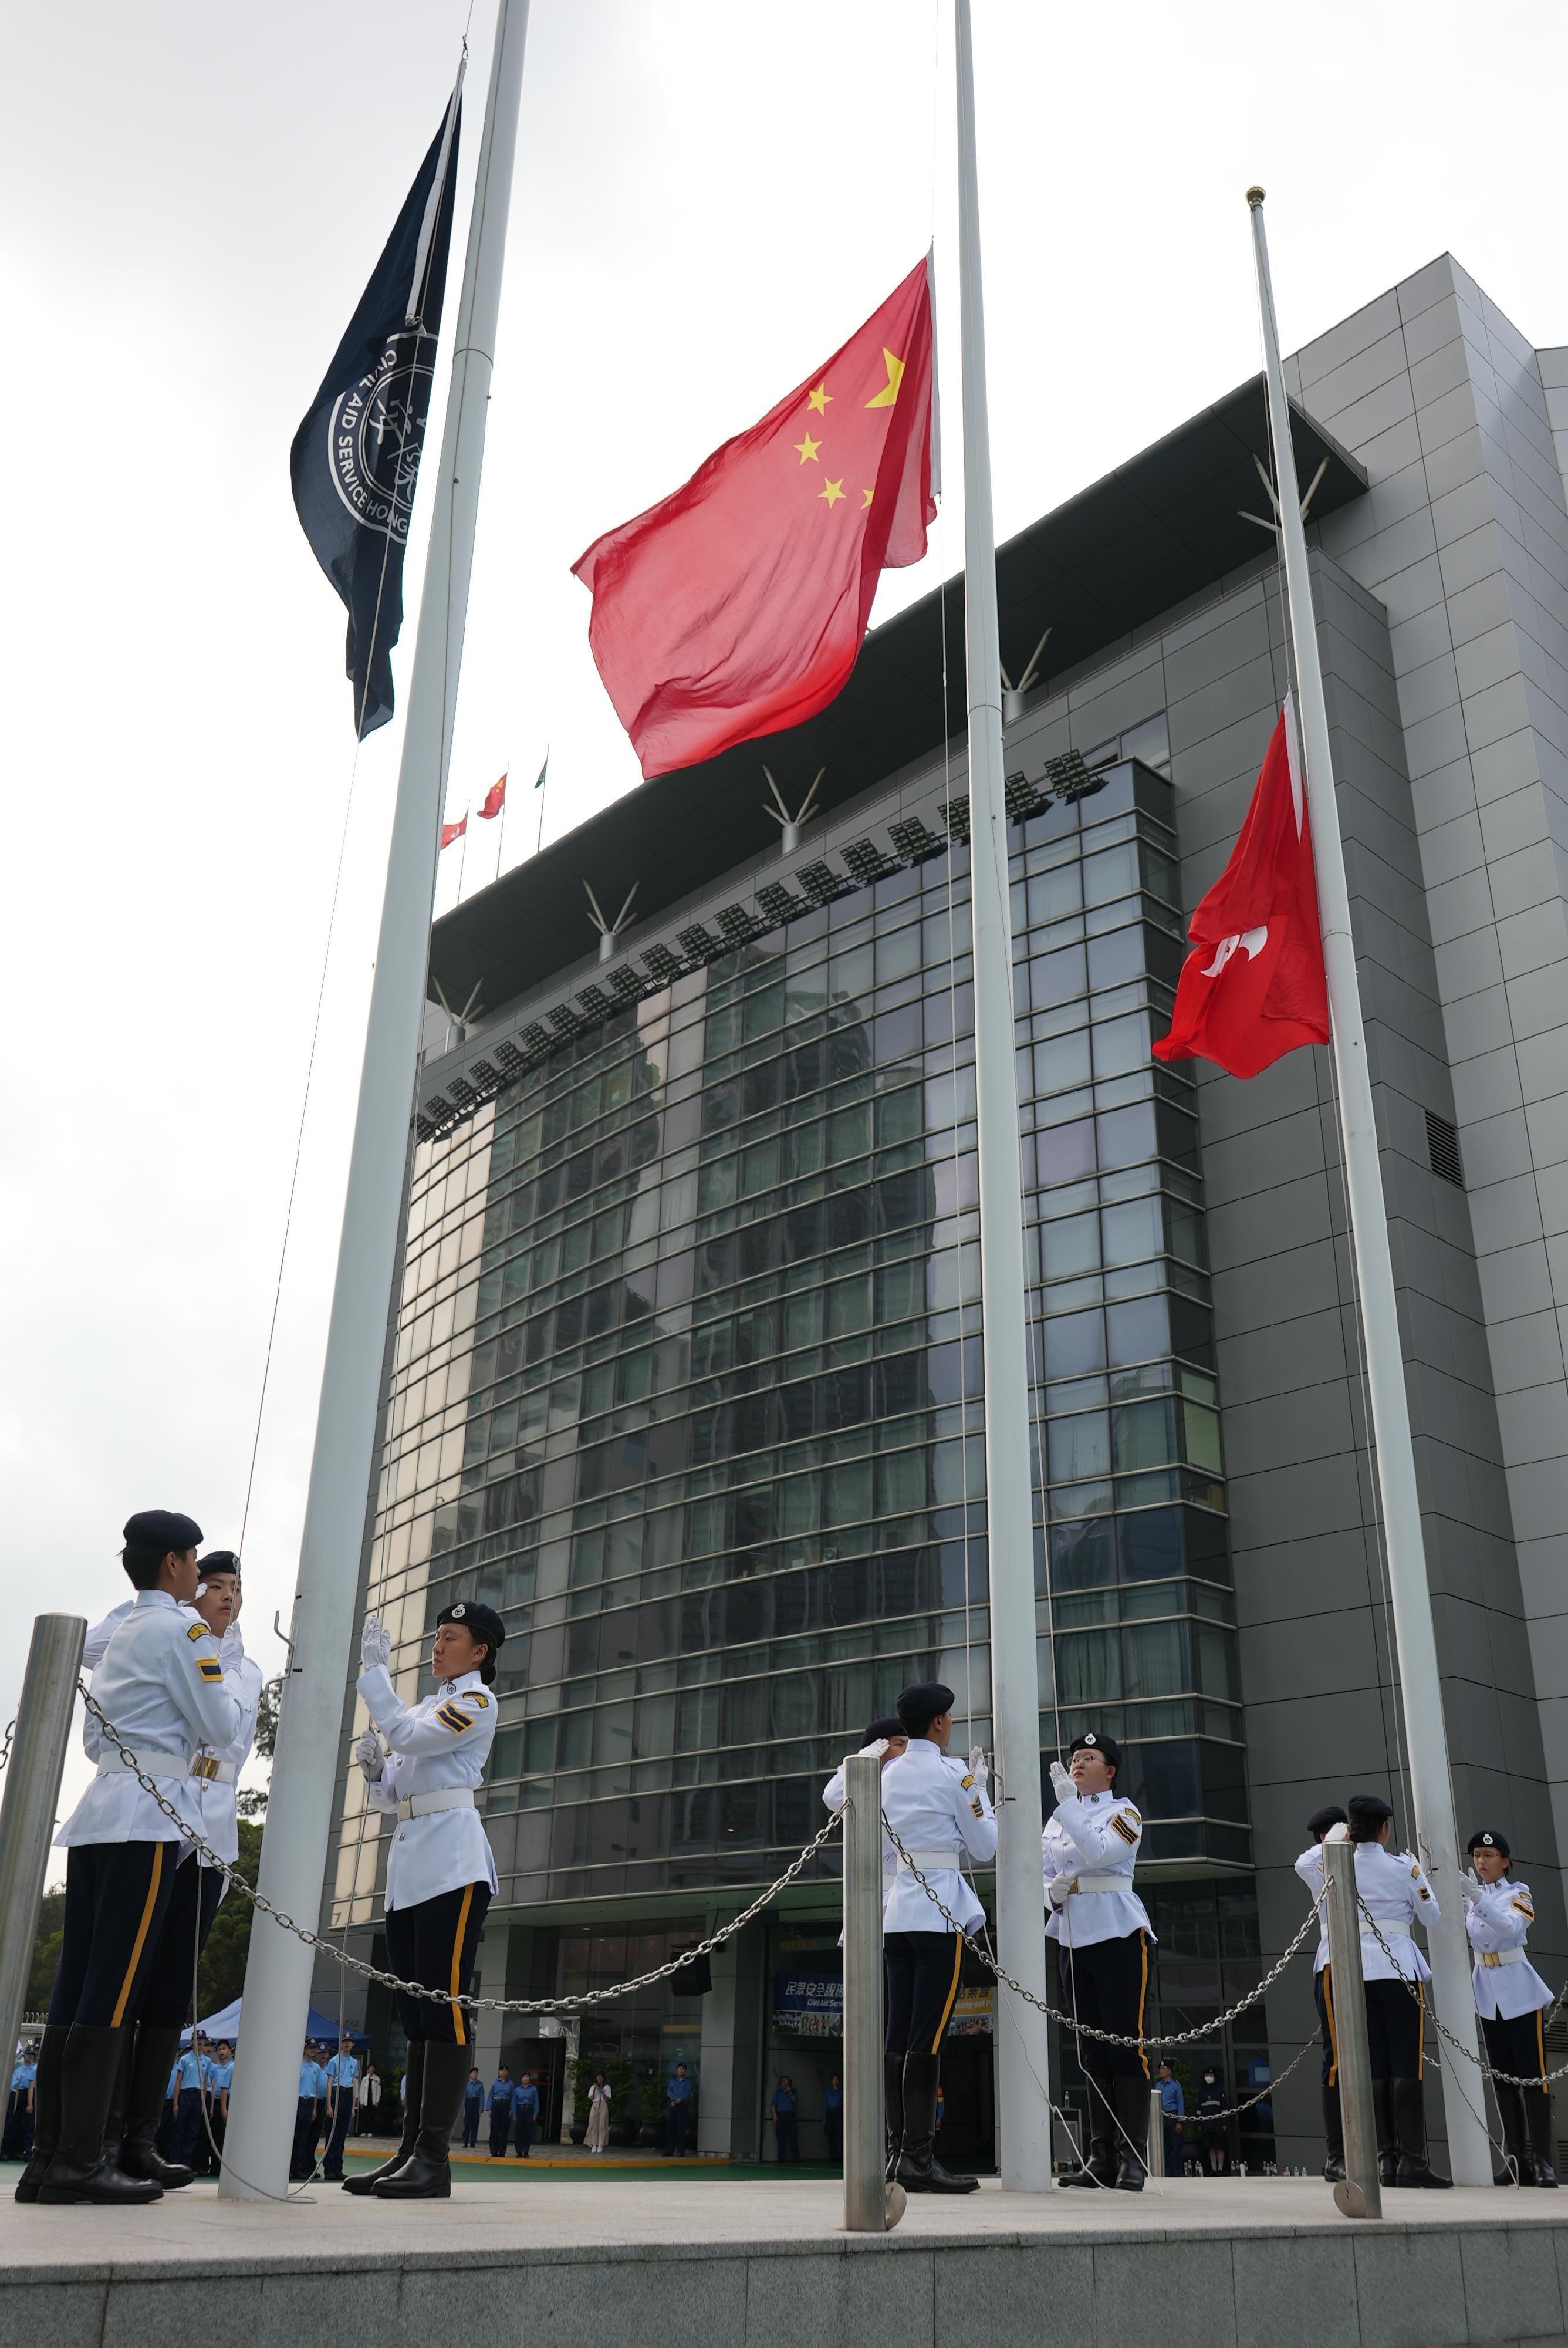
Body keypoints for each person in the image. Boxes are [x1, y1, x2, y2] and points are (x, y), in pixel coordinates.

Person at [18, 1510, 242, 2207]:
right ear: (177, 1564)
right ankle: (82, 2159)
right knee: (114, 1990)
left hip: (100, 1812)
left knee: (78, 1991)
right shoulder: (184, 1631)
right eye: (195, 1561)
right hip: (148, 1817)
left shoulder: (119, 1633)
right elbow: (223, 1724)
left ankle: (51, 2157)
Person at [83, 1550, 260, 2195]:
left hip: (207, 1830)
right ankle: (98, 2137)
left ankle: (140, 2139)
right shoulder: (167, 1635)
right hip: (155, 1809)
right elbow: (92, 1646)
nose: (225, 1597)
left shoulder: (246, 1667)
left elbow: (231, 1743)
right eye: (213, 1585)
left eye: (234, 1589)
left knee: (165, 1993)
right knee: (125, 1976)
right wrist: (158, 1608)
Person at [344, 1598, 503, 2200]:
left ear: (480, 1650)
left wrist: (375, 1677)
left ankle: (434, 2158)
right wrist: (376, 1773)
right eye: (436, 1636)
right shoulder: (433, 1703)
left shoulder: (475, 1702)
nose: (437, 1646)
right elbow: (398, 1791)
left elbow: (409, 1734)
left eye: (450, 1637)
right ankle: (410, 2150)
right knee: (414, 2017)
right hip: (413, 1863)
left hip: (452, 1865)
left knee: (444, 2006)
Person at [880, 1679, 997, 2195]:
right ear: (939, 1724)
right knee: (927, 2036)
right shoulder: (957, 1774)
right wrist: (981, 1791)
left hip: (898, 1911)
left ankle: (895, 2151)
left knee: (898, 2034)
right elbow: (986, 1846)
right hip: (938, 1910)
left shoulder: (885, 1774)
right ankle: (920, 2158)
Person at [1299, 1794, 1450, 2188]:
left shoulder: (1334, 1862)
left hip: (1351, 1971)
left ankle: (1385, 2159)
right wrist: (1417, 1873)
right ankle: (1412, 2161)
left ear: (1351, 1828)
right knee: (1406, 2065)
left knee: (1376, 2067)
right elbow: (1431, 1916)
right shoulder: (1403, 1867)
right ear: (1384, 1829)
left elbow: (1302, 1864)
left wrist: (1333, 1840)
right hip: (1398, 1968)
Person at [1044, 1728, 1157, 2192]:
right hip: (1072, 1933)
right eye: (1074, 1757)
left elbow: (1101, 1852)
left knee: (1124, 2047)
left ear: (1109, 1771)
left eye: (1088, 1758)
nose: (1077, 1763)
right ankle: (1100, 2155)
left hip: (1116, 1930)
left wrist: (1069, 1807)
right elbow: (1044, 1869)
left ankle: (1134, 2158)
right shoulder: (1056, 1821)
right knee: (1090, 2051)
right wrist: (1048, 1895)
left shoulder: (1124, 1812)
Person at [1462, 1828, 1557, 2188]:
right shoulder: (1474, 1897)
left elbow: (1509, 1927)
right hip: (1487, 1990)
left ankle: (1543, 2161)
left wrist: (1476, 1899)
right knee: (1503, 2079)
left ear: (1505, 1861)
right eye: (1476, 1856)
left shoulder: (1519, 1894)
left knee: (1533, 2077)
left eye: (1488, 1856)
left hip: (1518, 1989)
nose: (1481, 1862)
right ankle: (1517, 2160)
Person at [1293, 1802, 1349, 2181]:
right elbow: (1301, 1864)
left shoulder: (1373, 1863)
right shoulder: (1319, 1867)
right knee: (1337, 2060)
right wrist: (1334, 1838)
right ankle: (1338, 2155)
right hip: (1334, 1961)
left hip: (1379, 1965)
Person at [321, 2035, 361, 2181]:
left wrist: (353, 2106)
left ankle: (338, 2168)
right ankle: (329, 2169)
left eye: (349, 2042)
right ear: (341, 2044)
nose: (347, 2044)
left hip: (348, 2095)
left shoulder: (354, 2062)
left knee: (342, 2135)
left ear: (353, 2044)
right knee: (333, 2134)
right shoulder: (334, 2061)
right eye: (344, 2042)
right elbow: (329, 2083)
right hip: (337, 2094)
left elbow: (354, 2082)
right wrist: (329, 2105)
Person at [290, 2040, 326, 2180]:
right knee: (295, 2137)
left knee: (304, 2138)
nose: (313, 2051)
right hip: (298, 2103)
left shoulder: (315, 2068)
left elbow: (315, 2090)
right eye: (310, 2048)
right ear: (304, 2049)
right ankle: (292, 2167)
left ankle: (301, 2167)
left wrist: (314, 2109)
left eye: (314, 2049)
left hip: (310, 2103)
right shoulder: (298, 2065)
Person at [4, 2047, 37, 2160]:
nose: (30, 2057)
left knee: (27, 2125)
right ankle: (9, 2150)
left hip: (30, 2095)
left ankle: (21, 2150)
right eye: (28, 2054)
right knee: (14, 2123)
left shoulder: (34, 2069)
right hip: (19, 2094)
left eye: (32, 2055)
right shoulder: (18, 2067)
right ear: (24, 2055)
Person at [1157, 2062, 1185, 2176]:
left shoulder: (1175, 2085)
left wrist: (1180, 2121)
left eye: (1164, 2068)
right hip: (1161, 2117)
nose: (1161, 2070)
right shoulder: (1158, 2086)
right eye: (1160, 2068)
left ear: (1170, 2071)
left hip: (1173, 2117)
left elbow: (1180, 2103)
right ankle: (1166, 2171)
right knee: (1165, 2146)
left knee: (1175, 2145)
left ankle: (1176, 2172)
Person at [1196, 2070, 1226, 2173]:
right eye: (1207, 2076)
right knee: (1211, 2147)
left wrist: (1225, 2122)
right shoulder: (1202, 2092)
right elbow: (1199, 2109)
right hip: (1207, 2124)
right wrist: (1200, 2123)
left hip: (1218, 2124)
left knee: (1219, 2147)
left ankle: (1220, 2169)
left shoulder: (1219, 2091)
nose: (1208, 2077)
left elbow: (1224, 2108)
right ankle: (1214, 2168)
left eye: (1211, 2076)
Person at [664, 2062, 691, 2158]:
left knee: (681, 2129)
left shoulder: (687, 2082)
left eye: (683, 2069)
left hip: (683, 2106)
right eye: (680, 2069)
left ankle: (681, 2151)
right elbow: (669, 2092)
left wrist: (678, 2100)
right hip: (673, 2106)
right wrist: (675, 2100)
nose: (681, 2070)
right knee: (671, 2128)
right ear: (677, 2070)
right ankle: (669, 2150)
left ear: (685, 2071)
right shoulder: (673, 2081)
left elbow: (687, 2093)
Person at [486, 2064, 513, 2158]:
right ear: (499, 2072)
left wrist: (511, 2109)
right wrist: (489, 2108)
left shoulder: (510, 2083)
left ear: (508, 2073)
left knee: (504, 2130)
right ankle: (494, 2151)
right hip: (496, 2105)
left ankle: (502, 2152)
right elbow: (490, 2095)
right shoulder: (495, 2083)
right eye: (502, 2070)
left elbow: (513, 2097)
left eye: (505, 2071)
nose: (503, 2072)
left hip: (506, 2106)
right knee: (494, 2129)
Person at [771, 2076, 799, 2163]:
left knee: (793, 2137)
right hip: (781, 2116)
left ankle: (796, 2158)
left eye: (787, 2081)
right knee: (780, 2138)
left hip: (790, 2116)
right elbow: (773, 2105)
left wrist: (790, 2092)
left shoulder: (793, 2091)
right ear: (781, 2083)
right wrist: (775, 2115)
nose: (785, 2083)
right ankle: (781, 2158)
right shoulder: (778, 2092)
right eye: (784, 2081)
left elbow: (795, 2101)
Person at [512, 2069, 539, 2158]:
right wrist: (515, 2114)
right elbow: (514, 2103)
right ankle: (519, 2151)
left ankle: (526, 2151)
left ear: (530, 2079)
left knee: (528, 2131)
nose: (526, 2079)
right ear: (521, 2079)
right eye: (524, 2077)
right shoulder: (517, 2090)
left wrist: (535, 2113)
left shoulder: (533, 2089)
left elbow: (536, 2102)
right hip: (520, 2109)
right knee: (519, 2131)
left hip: (529, 2110)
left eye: (527, 2077)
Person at [584, 2072, 611, 2153]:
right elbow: (592, 2098)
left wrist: (602, 2091)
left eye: (601, 2079)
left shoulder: (607, 2087)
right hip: (595, 2105)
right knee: (594, 2125)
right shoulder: (593, 2087)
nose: (599, 2080)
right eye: (598, 2079)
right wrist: (595, 2090)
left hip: (603, 2104)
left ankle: (600, 2145)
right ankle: (594, 2145)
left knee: (602, 2125)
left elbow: (607, 2098)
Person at [356, 2060, 382, 2137]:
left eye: (373, 2068)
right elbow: (361, 2090)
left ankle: (370, 2131)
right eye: (370, 2068)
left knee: (371, 2117)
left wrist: (377, 2101)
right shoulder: (364, 2079)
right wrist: (361, 2102)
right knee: (364, 2117)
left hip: (373, 2101)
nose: (372, 2070)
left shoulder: (377, 2079)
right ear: (368, 2070)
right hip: (365, 2101)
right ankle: (364, 2131)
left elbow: (379, 2091)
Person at [823, 2072, 843, 2166]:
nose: (836, 2081)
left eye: (837, 2079)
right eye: (834, 2079)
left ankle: (840, 2156)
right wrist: (824, 2117)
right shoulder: (828, 2091)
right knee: (831, 2136)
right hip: (830, 2113)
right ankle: (832, 2156)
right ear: (832, 2081)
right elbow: (825, 2104)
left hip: (839, 2113)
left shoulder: (842, 2091)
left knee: (839, 2136)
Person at [462, 2068, 484, 2150]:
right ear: (470, 2075)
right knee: (467, 2124)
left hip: (476, 2103)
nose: (475, 2074)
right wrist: (464, 2109)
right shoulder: (467, 2084)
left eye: (476, 2073)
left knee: (475, 2124)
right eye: (473, 2073)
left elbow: (482, 2097)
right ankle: (465, 2141)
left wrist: (481, 2109)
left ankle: (473, 2141)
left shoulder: (480, 2085)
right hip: (468, 2103)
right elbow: (463, 2097)